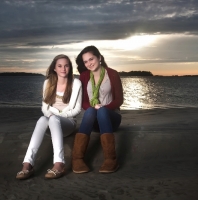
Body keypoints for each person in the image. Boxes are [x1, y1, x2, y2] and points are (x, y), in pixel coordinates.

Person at [16, 54, 82, 180]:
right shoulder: (48, 83)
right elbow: (44, 108)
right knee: (42, 119)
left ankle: (59, 164)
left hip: (68, 124)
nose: (63, 69)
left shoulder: (76, 83)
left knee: (53, 118)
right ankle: (27, 164)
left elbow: (77, 109)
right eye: (60, 66)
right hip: (51, 125)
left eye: (66, 66)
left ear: (70, 68)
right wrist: (52, 116)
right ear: (54, 69)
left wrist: (57, 116)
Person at [72, 45, 123, 174]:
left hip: (111, 119)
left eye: (91, 59)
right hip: (94, 121)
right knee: (89, 110)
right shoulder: (83, 76)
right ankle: (77, 159)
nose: (89, 63)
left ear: (99, 58)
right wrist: (93, 107)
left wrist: (102, 108)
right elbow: (83, 101)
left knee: (101, 111)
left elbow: (119, 100)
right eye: (86, 61)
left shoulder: (112, 73)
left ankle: (111, 159)